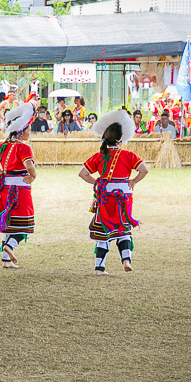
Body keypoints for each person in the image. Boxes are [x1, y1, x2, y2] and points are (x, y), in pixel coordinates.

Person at [79, 111, 149, 275]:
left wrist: (97, 182)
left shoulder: (99, 156)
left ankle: (99, 268)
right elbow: (144, 170)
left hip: (104, 197)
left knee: (103, 231)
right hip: (123, 196)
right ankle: (126, 260)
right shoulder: (128, 155)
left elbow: (82, 173)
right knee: (123, 228)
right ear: (120, 140)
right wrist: (133, 181)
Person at [0, 102, 38, 268]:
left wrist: (2, 172)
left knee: (7, 224)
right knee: (25, 224)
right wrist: (33, 175)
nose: (29, 133)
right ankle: (10, 246)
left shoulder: (3, 146)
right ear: (21, 131)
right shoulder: (24, 148)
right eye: (28, 130)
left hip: (4, 189)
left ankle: (6, 261)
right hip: (19, 189)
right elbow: (29, 165)